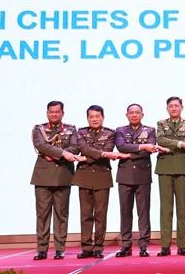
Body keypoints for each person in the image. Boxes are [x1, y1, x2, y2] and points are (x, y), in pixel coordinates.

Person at [73, 105, 126, 259]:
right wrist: (102, 153)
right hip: (84, 176)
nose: (94, 119)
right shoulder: (81, 132)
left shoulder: (110, 133)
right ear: (87, 118)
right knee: (85, 215)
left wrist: (86, 156)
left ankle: (98, 247)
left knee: (101, 215)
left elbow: (106, 151)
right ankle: (86, 247)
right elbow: (82, 147)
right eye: (91, 116)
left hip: (102, 176)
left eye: (97, 116)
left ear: (103, 117)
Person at [30, 100, 80, 261]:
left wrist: (60, 154)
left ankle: (60, 248)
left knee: (61, 214)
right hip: (43, 177)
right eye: (51, 111)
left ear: (62, 113)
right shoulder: (39, 129)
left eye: (57, 111)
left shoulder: (71, 129)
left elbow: (75, 148)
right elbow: (40, 145)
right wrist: (62, 153)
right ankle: (42, 249)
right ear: (47, 113)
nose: (54, 114)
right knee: (42, 215)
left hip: (63, 175)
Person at [114, 103, 162, 258]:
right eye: (131, 112)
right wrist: (143, 147)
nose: (134, 115)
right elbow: (121, 147)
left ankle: (143, 245)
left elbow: (151, 148)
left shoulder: (150, 130)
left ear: (142, 114)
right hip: (125, 175)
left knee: (143, 211)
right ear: (127, 115)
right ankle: (126, 244)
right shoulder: (120, 130)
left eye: (137, 112)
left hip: (142, 175)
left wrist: (132, 151)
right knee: (125, 212)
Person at [155, 96, 185, 257]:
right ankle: (165, 246)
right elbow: (160, 139)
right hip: (165, 167)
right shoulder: (161, 123)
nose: (174, 108)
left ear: (182, 107)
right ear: (167, 108)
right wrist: (180, 144)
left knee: (182, 208)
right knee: (165, 209)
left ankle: (182, 245)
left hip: (183, 167)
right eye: (171, 106)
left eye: (176, 106)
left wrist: (169, 145)